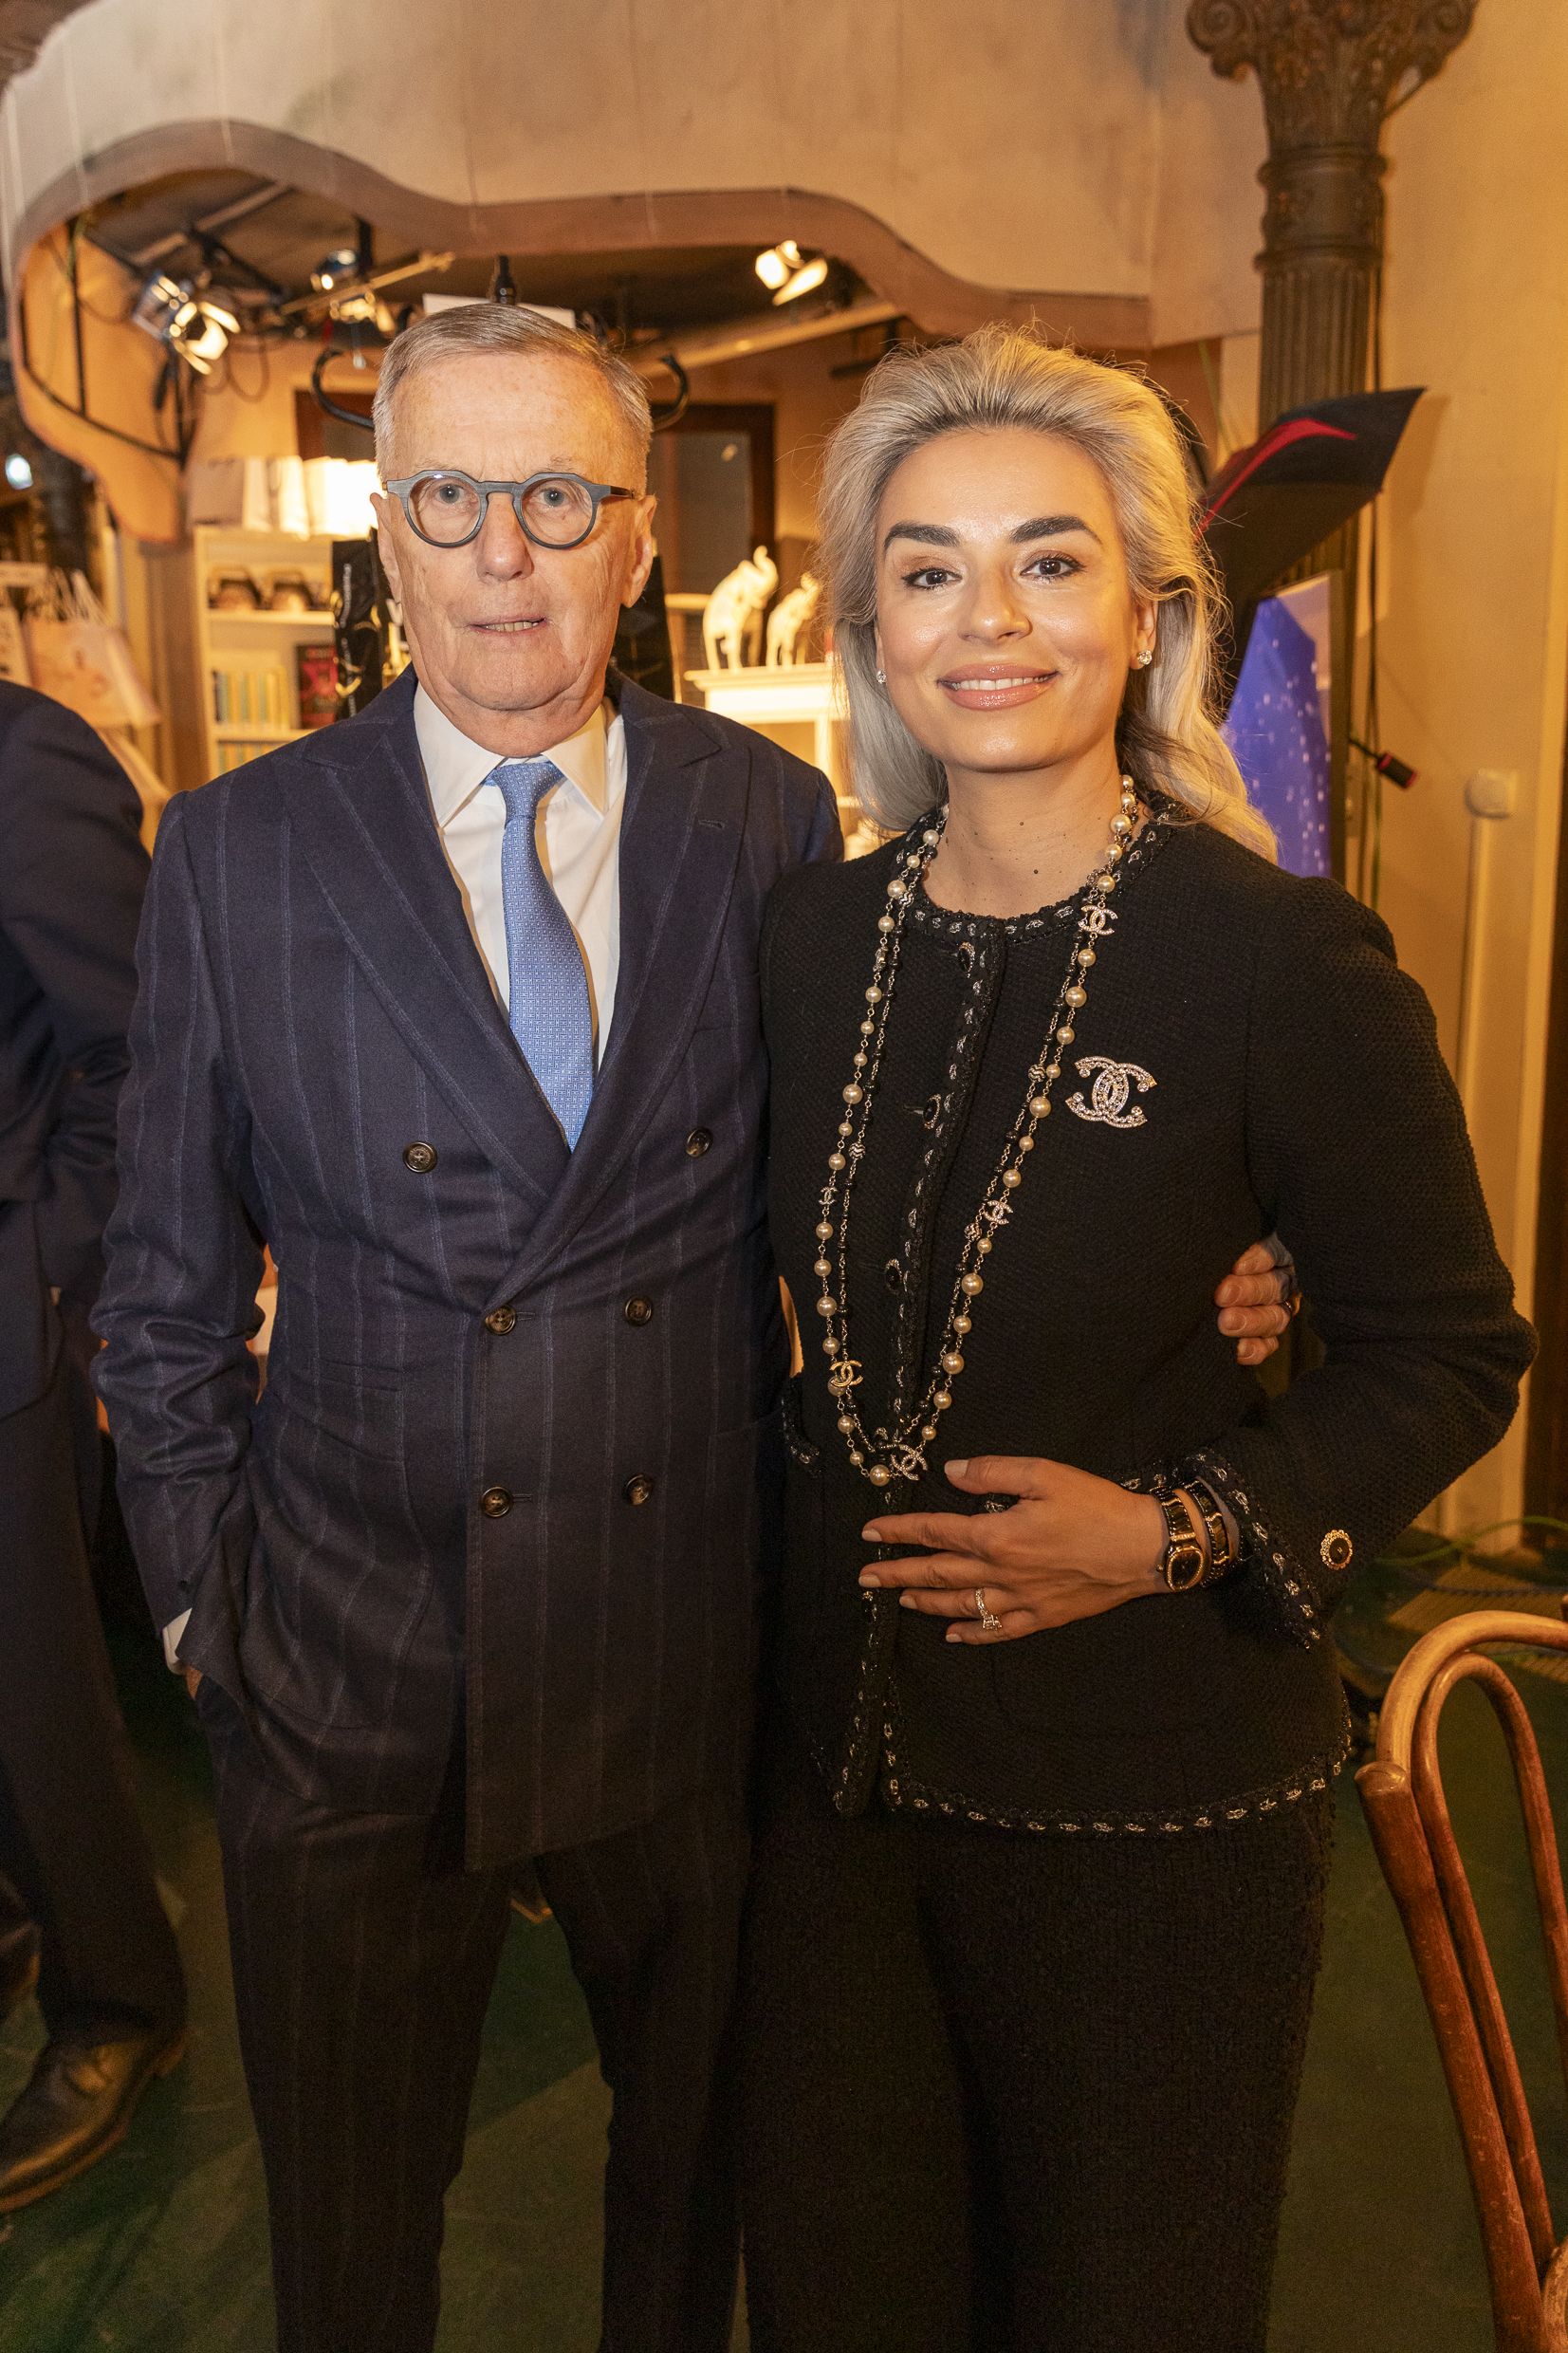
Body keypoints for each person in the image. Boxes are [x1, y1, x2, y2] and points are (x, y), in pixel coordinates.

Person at [94, 305, 1294, 2353]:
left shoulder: (763, 817)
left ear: (639, 536)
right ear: (386, 531)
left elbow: (891, 1155)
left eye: (558, 498)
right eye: (449, 497)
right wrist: (214, 1622)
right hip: (352, 1669)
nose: (503, 555)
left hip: (684, 1652)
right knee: (351, 2233)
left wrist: (1212, 1238)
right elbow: (162, 1293)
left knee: (693, 2199)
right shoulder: (236, 849)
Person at [738, 325, 1535, 2353]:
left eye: (1048, 559)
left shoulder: (1274, 955)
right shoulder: (810, 942)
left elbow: (1448, 1352)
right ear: (869, 629)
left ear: (1151, 613)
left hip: (1152, 1792)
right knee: (851, 2290)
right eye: (927, 568)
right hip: (835, 1789)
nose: (987, 618)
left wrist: (1173, 1528)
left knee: (1127, 2301)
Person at [0, 679, 187, 2210]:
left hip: (5, 1317)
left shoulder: (21, 754)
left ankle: (120, 1996)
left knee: (35, 1698)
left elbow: (141, 1053)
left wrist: (45, 1265)